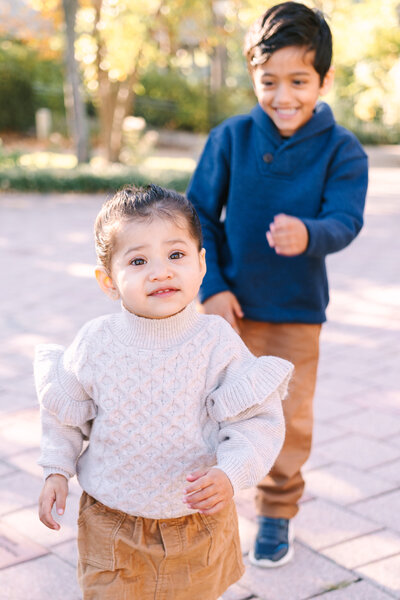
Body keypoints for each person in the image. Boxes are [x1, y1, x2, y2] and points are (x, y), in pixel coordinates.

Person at [34, 184, 293, 599]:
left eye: (176, 255)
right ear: (108, 281)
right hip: (110, 524)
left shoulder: (216, 341)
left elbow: (255, 421)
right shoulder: (95, 342)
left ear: (201, 263)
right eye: (138, 260)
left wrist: (231, 471)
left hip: (196, 521)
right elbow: (65, 412)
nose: (161, 271)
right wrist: (56, 470)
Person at [187, 1, 368, 569]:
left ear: (324, 80)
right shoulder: (231, 139)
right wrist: (211, 286)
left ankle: (276, 510)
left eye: (299, 81)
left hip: (296, 312)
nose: (283, 96)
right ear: (252, 76)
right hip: (228, 310)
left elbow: (346, 219)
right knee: (209, 411)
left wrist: (310, 234)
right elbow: (196, 218)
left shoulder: (343, 150)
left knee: (287, 419)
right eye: (270, 81)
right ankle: (201, 504)